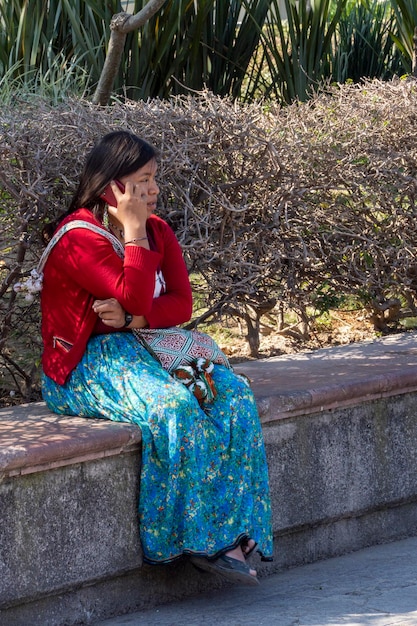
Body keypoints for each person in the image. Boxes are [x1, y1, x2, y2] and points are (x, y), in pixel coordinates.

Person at [40, 130, 273, 586]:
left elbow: (180, 305)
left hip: (148, 345)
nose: (154, 190)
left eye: (154, 179)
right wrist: (132, 234)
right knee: (175, 408)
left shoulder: (159, 230)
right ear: (114, 187)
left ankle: (238, 532)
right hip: (86, 365)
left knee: (234, 397)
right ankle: (189, 541)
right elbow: (136, 291)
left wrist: (132, 321)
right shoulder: (76, 239)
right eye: (144, 180)